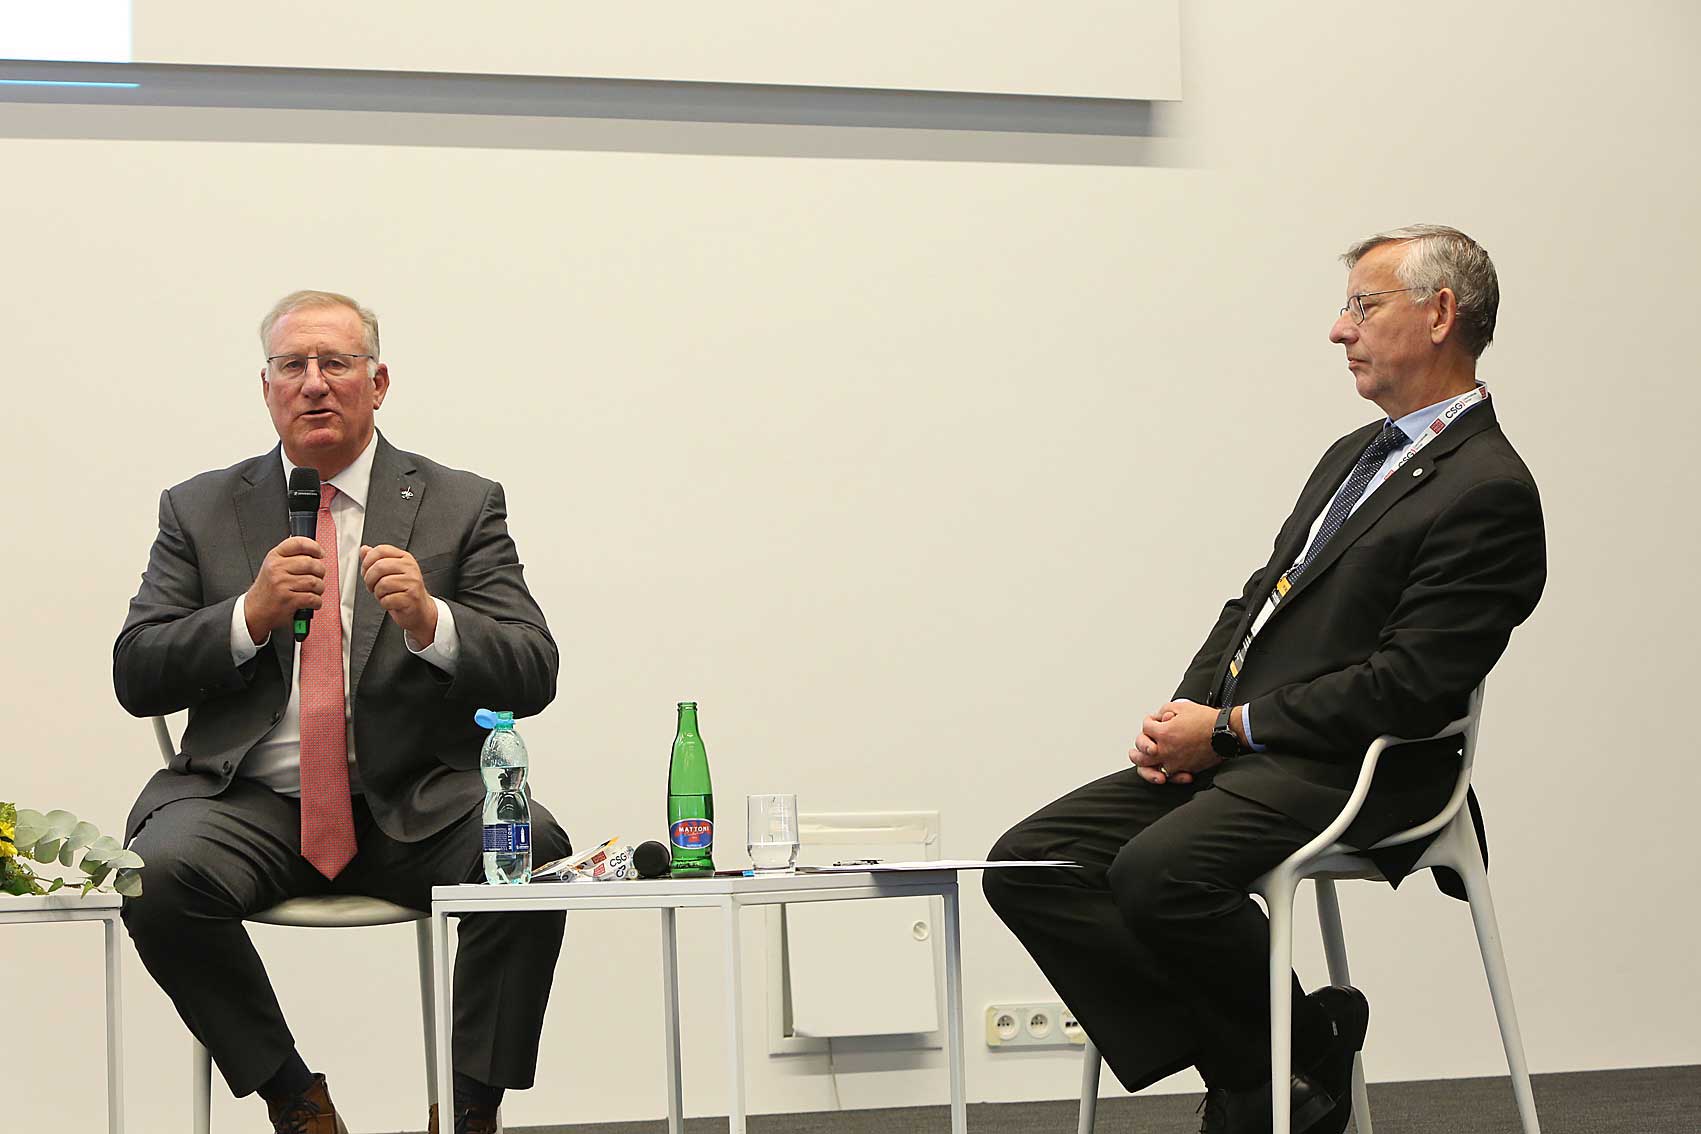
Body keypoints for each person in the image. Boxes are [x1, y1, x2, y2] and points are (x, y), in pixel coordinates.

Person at [983, 226, 1546, 1134]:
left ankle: (1272, 1076)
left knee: (1159, 874)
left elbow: (1406, 686)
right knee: (1030, 864)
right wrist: (1189, 716)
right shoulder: (1354, 453)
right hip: (1255, 750)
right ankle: (1292, 1056)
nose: (1338, 329)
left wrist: (1229, 729)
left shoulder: (1488, 489)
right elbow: (1256, 600)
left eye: (1363, 306)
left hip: (1361, 765)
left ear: (1440, 313)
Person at [114, 290, 570, 1134]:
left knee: (529, 848)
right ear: (267, 388)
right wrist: (246, 616)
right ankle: (295, 1100)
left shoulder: (461, 503)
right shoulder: (199, 508)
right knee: (156, 876)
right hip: (247, 806)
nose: (314, 383)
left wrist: (433, 623)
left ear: (378, 382)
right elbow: (136, 672)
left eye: (336, 362)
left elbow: (533, 670)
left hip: (417, 805)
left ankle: (470, 1109)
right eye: (293, 365)